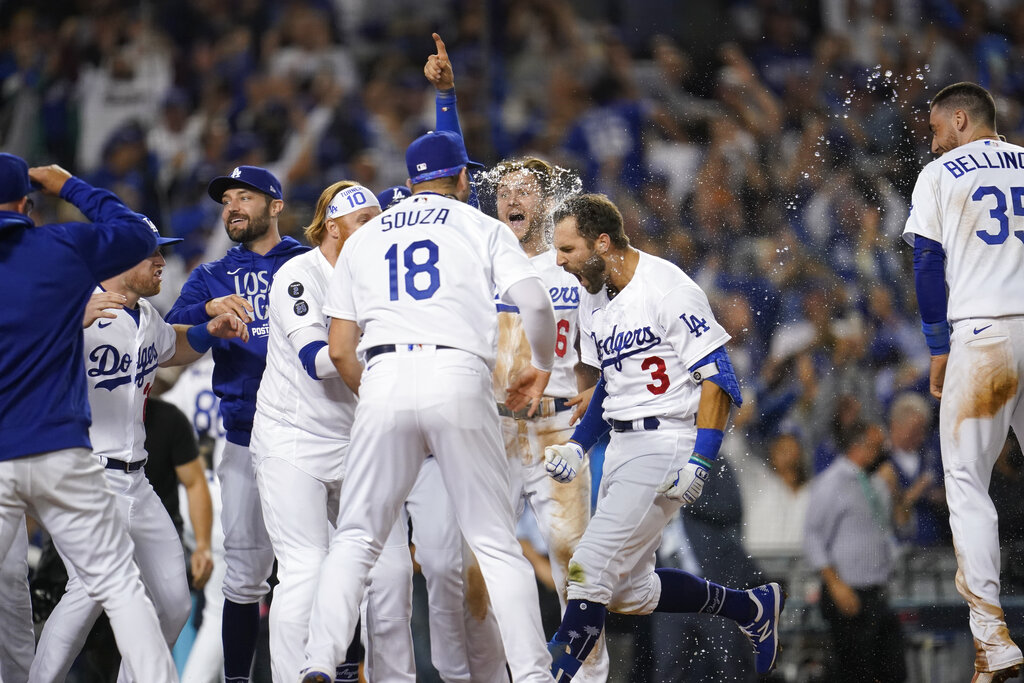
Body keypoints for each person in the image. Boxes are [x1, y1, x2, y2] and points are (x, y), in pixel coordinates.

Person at [299, 129, 558, 683]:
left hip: (385, 372)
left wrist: (382, 400)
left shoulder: (365, 239)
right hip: (458, 374)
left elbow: (341, 348)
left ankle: (319, 662)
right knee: (493, 542)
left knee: (357, 537)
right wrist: (543, 363)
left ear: (410, 180)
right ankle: (535, 675)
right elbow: (534, 301)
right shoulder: (479, 225)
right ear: (463, 178)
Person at [424, 33, 608, 682]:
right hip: (494, 430)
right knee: (481, 567)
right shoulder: (477, 250)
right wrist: (445, 97)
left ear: (549, 201)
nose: (510, 196)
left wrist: (578, 414)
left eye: (525, 188)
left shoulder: (573, 268)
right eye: (502, 189)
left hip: (555, 429)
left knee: (574, 567)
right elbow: (448, 175)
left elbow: (597, 374)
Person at [543, 193, 783, 680]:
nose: (559, 260)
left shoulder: (667, 288)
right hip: (623, 447)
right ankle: (749, 608)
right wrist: (577, 444)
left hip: (666, 442)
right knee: (629, 593)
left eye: (567, 249)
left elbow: (719, 377)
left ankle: (553, 673)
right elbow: (612, 381)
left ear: (602, 242)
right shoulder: (595, 296)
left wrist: (702, 459)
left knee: (587, 568)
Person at [30, 233, 248, 682]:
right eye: (151, 252)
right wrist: (67, 321)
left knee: (173, 603)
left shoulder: (146, 315)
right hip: (86, 474)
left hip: (138, 480)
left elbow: (172, 347)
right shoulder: (76, 304)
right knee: (87, 590)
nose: (161, 260)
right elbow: (23, 349)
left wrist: (211, 330)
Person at [0, 153, 177, 681]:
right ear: (28, 203)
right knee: (120, 584)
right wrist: (71, 185)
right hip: (62, 452)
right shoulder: (61, 247)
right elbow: (135, 232)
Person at [166, 165, 308, 683]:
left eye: (244, 197)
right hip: (243, 441)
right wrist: (205, 312)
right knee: (243, 582)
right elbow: (164, 346)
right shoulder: (210, 274)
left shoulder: (310, 260)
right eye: (226, 200)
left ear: (275, 205)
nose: (232, 207)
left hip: (310, 438)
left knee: (317, 569)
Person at [903, 81, 1024, 683]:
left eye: (934, 128)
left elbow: (927, 263)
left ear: (959, 120)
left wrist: (936, 348)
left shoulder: (943, 172)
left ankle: (992, 637)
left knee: (966, 483)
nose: (932, 140)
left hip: (982, 337)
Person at [803, 422, 907, 683]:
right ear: (858, 447)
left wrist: (895, 491)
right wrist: (835, 584)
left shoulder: (878, 481)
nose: (883, 452)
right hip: (848, 589)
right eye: (877, 447)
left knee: (893, 672)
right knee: (855, 673)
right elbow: (813, 535)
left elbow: (903, 524)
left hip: (879, 591)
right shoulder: (831, 482)